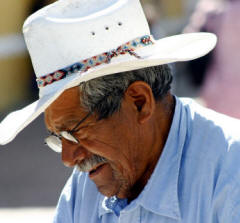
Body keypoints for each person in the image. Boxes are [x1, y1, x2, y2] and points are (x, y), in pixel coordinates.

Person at [0, 0, 239, 222]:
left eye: (74, 132)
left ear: (139, 102)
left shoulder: (230, 174)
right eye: (59, 138)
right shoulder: (87, 185)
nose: (67, 158)